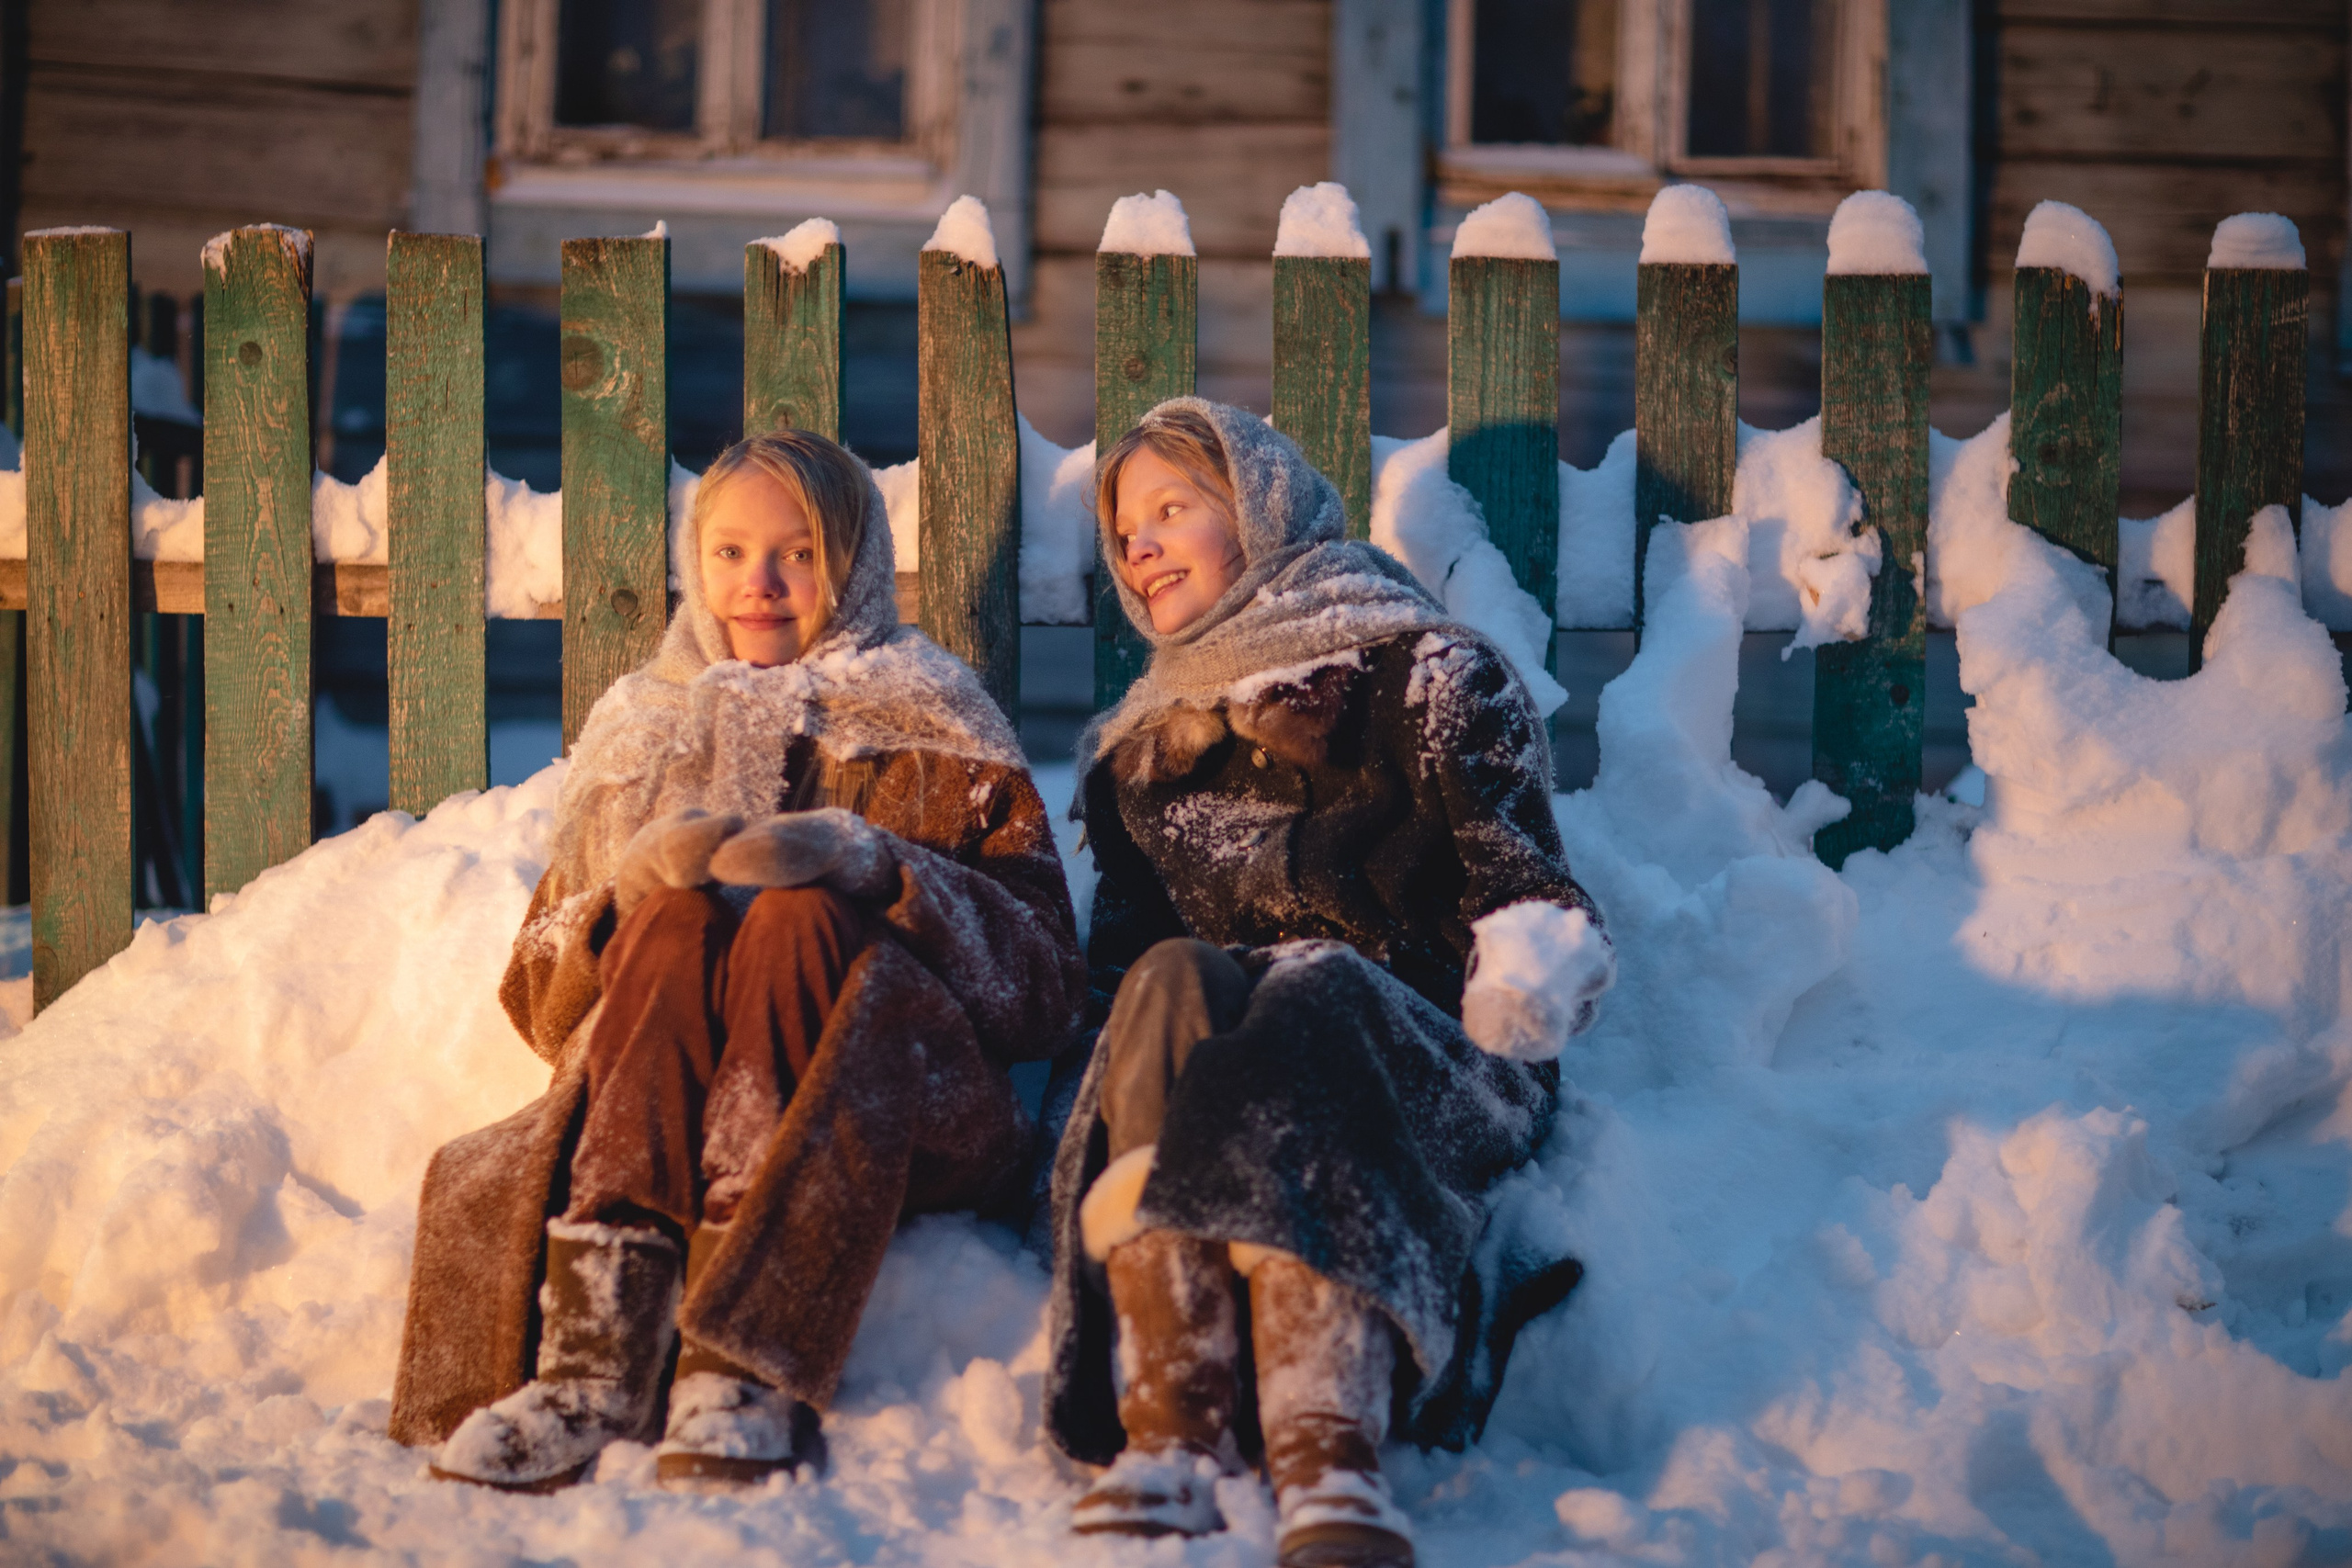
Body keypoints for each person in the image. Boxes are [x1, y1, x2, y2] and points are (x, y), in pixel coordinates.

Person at [388, 430, 1086, 1492]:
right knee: (671, 922)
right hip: (658, 1109)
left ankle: (737, 1364)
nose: (758, 584)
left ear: (850, 562)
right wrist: (624, 894)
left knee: (799, 918)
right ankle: (595, 1357)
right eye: (727, 552)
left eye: (797, 553)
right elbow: (538, 1004)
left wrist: (877, 866)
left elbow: (1038, 986)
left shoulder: (934, 717)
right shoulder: (641, 729)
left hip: (891, 1100)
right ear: (692, 558)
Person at [1043, 400, 1613, 1568]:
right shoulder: (1144, 750)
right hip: (1222, 1075)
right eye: (1122, 529)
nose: (1138, 545)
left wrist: (1527, 974)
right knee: (1167, 982)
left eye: (1171, 510)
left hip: (1421, 1065)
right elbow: (1117, 981)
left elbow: (1526, 888)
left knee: (1312, 984)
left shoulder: (1424, 671)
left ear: (1259, 512)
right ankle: (1174, 1427)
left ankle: (1326, 1450)